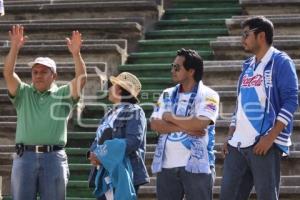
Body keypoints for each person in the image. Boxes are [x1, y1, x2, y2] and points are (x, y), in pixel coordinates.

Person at [3, 25, 87, 200]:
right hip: (24, 157)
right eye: (35, 72)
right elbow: (8, 73)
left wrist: (76, 54)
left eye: (43, 72)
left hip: (54, 158)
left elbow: (82, 79)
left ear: (54, 76)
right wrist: (14, 49)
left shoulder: (63, 94)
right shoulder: (23, 93)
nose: (38, 75)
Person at [220, 16, 299, 200]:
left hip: (264, 144)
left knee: (267, 196)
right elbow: (241, 103)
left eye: (246, 34)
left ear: (261, 36)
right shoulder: (247, 65)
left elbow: (291, 101)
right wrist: (231, 134)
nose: (243, 39)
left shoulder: (281, 62)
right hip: (237, 145)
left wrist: (270, 138)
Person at [150, 48, 220, 200]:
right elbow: (155, 124)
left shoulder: (209, 94)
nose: (172, 70)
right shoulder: (166, 93)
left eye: (177, 67)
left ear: (191, 71)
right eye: (172, 66)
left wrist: (170, 117)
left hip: (198, 166)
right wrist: (187, 126)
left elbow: (200, 124)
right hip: (166, 166)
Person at [88, 72, 150, 200]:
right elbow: (97, 139)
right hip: (104, 172)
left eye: (112, 86)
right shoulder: (108, 114)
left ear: (120, 90)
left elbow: (133, 141)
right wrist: (92, 154)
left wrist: (102, 155)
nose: (109, 89)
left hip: (124, 172)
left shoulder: (135, 111)